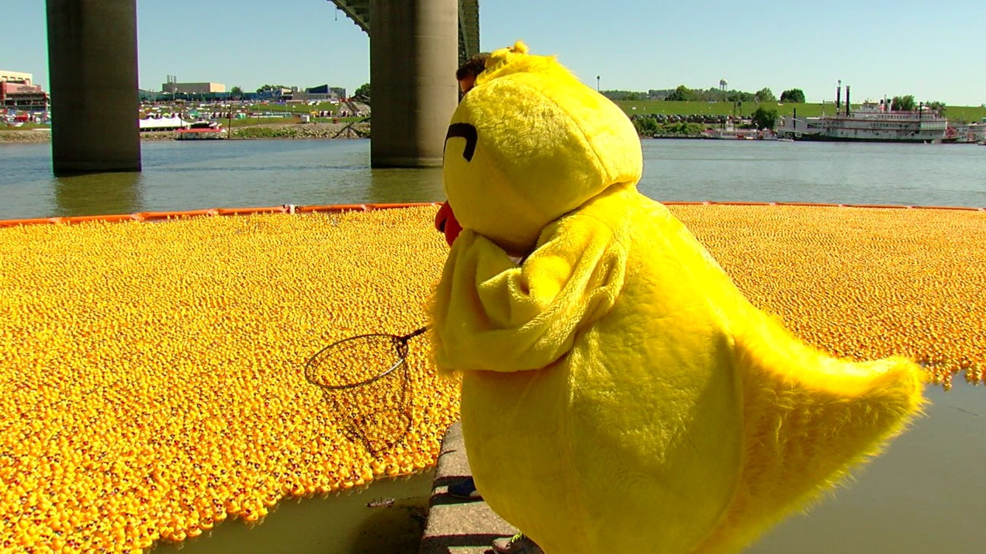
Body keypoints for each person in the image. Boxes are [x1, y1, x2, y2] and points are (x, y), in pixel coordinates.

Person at [444, 50, 545, 554]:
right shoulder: (477, 136)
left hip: (529, 301)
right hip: (494, 295)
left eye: (471, 93)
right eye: (463, 96)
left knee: (534, 416)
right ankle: (491, 486)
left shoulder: (522, 134)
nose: (465, 103)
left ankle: (537, 534)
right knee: (498, 405)